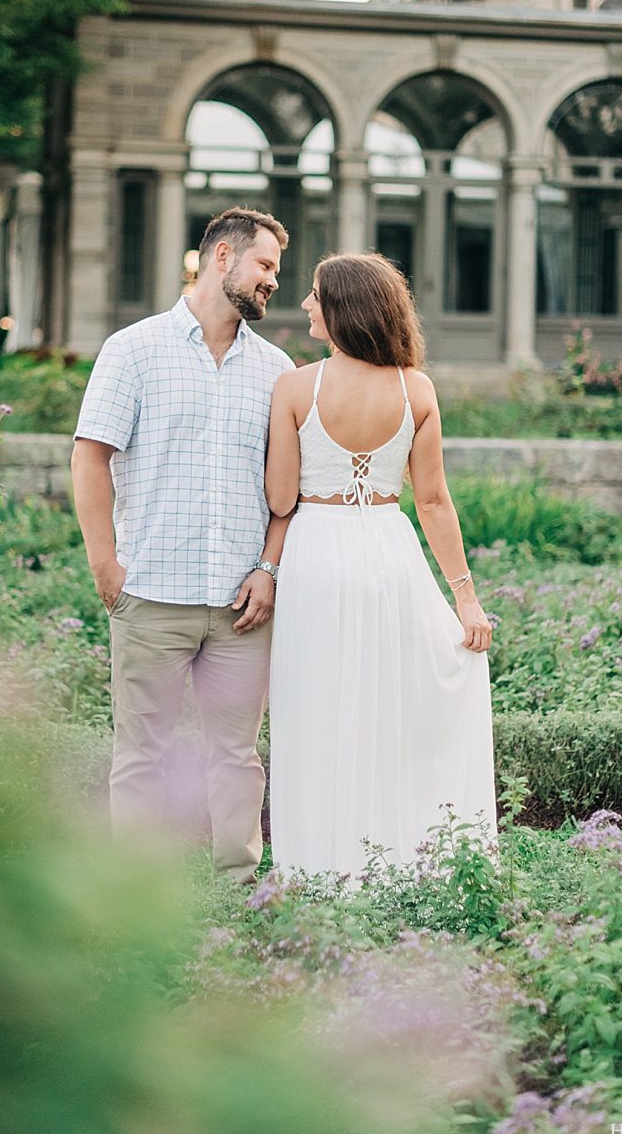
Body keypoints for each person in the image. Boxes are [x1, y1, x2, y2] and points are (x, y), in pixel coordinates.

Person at [71, 207, 294, 883]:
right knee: (142, 754)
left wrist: (267, 569)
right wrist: (105, 563)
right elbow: (89, 457)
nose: (272, 283)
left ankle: (238, 884)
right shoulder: (132, 350)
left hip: (240, 605)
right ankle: (138, 896)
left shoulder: (277, 370)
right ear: (221, 257)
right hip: (152, 595)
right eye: (266, 266)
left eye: (276, 272)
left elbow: (289, 490)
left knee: (237, 754)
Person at [264, 253, 497, 877]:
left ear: (340, 308)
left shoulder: (293, 387)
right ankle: (394, 862)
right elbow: (433, 501)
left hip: (315, 553)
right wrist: (465, 599)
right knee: (389, 711)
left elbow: (281, 498)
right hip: (390, 554)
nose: (306, 305)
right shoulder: (414, 389)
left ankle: (319, 869)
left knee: (316, 713)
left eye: (314, 296)